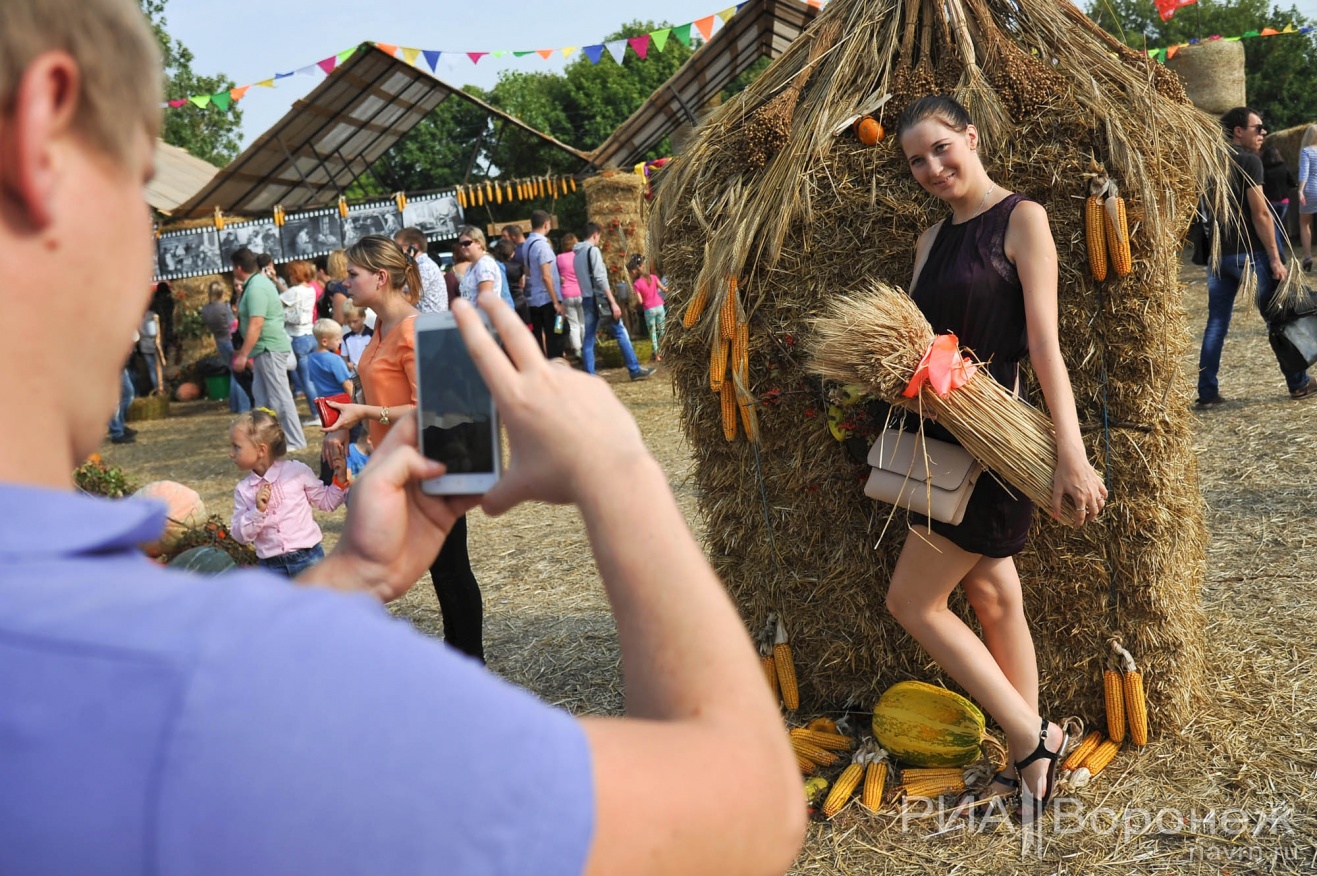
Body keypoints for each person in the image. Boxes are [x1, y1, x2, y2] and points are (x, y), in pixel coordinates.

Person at [1, 2, 806, 867]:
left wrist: (349, 577)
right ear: (44, 143)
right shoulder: (207, 679)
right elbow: (745, 807)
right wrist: (618, 470)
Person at [891, 96, 1108, 822]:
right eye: (916, 160)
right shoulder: (927, 243)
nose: (931, 167)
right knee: (991, 597)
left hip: (997, 441)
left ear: (971, 137)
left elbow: (1044, 348)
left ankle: (1029, 735)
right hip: (939, 441)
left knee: (910, 602)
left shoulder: (1022, 219)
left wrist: (1069, 456)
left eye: (941, 148)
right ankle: (1032, 759)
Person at [321, 235, 488, 661]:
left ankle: (469, 662)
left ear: (380, 278)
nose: (345, 283)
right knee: (442, 569)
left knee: (450, 570)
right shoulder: (380, 326)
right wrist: (345, 426)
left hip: (432, 465)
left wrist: (364, 413)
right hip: (398, 465)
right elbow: (374, 386)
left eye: (353, 274)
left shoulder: (418, 329)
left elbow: (435, 410)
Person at [1197, 107, 1311, 408]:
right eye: (1257, 127)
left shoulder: (1209, 164)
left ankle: (1207, 393)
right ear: (1238, 131)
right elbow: (1260, 214)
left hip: (1218, 257)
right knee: (1278, 320)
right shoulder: (1248, 162)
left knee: (1216, 324)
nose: (1263, 133)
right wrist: (1275, 258)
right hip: (1250, 255)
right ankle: (1298, 383)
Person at [229, 408, 346, 577]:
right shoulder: (244, 489)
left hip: (309, 560)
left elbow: (326, 502)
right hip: (270, 569)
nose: (231, 453)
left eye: (236, 447)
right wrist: (257, 511)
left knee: (315, 603)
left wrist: (340, 481)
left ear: (261, 450)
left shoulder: (297, 471)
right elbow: (240, 536)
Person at [231, 247, 308, 450]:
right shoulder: (256, 283)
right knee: (262, 397)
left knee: (280, 397)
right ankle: (265, 439)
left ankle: (295, 440)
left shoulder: (256, 287)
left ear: (238, 268)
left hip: (269, 347)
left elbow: (256, 322)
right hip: (264, 349)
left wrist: (243, 355)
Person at [574, 223, 655, 381]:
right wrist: (612, 302)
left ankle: (590, 376)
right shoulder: (593, 251)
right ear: (595, 235)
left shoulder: (576, 255)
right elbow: (600, 278)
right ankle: (634, 369)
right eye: (599, 237)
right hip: (599, 299)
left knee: (589, 338)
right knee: (620, 331)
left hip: (586, 298)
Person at [201, 280, 249, 412]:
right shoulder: (223, 307)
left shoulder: (205, 310)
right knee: (240, 373)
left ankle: (234, 405)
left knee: (233, 372)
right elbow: (232, 323)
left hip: (219, 341)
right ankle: (243, 406)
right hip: (230, 340)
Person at [524, 210, 566, 358]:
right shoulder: (543, 246)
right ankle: (558, 363)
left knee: (540, 337)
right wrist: (556, 302)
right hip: (549, 300)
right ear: (546, 224)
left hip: (534, 299)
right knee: (557, 333)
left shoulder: (527, 244)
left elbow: (529, 272)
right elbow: (546, 275)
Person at [281, 259, 319, 413]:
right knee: (314, 378)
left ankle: (316, 413)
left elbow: (277, 302)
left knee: (306, 380)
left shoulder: (294, 291)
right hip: (311, 334)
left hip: (298, 337)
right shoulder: (310, 290)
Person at [395, 226, 448, 314]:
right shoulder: (418, 265)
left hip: (430, 324)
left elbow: (411, 298)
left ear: (414, 247)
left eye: (399, 247)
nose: (396, 251)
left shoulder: (425, 267)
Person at [628, 254, 667, 363]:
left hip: (649, 309)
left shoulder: (636, 284)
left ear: (634, 272)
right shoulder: (653, 277)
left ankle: (658, 355)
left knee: (653, 332)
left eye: (630, 273)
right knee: (663, 329)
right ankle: (667, 351)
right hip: (660, 306)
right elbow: (664, 288)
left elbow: (640, 301)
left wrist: (635, 304)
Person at [455, 226, 505, 306]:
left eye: (466, 243)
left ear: (479, 243)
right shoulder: (471, 266)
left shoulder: (484, 264)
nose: (462, 247)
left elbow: (486, 297)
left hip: (483, 316)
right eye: (461, 244)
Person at [1261, 145, 1295, 259]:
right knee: (1278, 226)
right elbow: (1292, 183)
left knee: (1273, 228)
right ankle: (1280, 252)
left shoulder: (1263, 170)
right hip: (1284, 201)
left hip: (1270, 202)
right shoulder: (1284, 167)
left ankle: (1280, 254)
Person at [558, 233, 585, 357]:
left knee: (573, 324)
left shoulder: (559, 258)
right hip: (580, 291)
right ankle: (586, 347)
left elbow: (557, 276)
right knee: (582, 322)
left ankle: (577, 349)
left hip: (567, 294)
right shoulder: (578, 256)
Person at [1299, 124, 1317, 272]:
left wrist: (1300, 190)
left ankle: (1308, 257)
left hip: (1310, 190)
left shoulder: (1306, 151)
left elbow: (1304, 172)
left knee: (1305, 224)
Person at [137, 307, 164, 393]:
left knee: (151, 368)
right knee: (158, 367)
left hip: (144, 344)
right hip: (154, 343)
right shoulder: (152, 315)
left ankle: (157, 387)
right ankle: (160, 387)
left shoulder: (136, 317)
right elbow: (156, 330)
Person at [340, 300, 373, 370]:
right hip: (354, 376)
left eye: (355, 321)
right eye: (348, 322)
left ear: (363, 317)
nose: (352, 325)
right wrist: (347, 364)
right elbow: (344, 359)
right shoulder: (346, 338)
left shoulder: (372, 335)